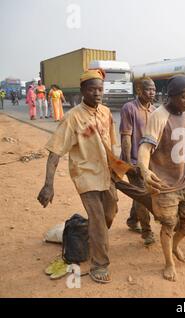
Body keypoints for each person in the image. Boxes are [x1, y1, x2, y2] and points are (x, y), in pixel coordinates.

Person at [37, 69, 119, 284]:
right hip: (86, 176)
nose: (97, 93)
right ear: (82, 90)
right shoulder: (72, 118)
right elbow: (55, 152)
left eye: (100, 89)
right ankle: (100, 264)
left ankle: (85, 230)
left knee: (110, 213)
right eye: (92, 89)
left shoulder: (106, 112)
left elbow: (111, 145)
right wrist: (48, 185)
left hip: (107, 174)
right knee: (100, 221)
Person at [138, 75, 185, 282]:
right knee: (169, 225)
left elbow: (181, 144)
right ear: (172, 96)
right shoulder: (158, 116)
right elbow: (145, 147)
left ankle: (174, 246)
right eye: (184, 96)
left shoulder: (184, 113)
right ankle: (168, 262)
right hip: (165, 184)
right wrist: (144, 170)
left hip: (184, 178)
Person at [120, 77, 157, 246]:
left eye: (154, 90)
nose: (152, 93)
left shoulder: (154, 111)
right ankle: (147, 232)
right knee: (143, 194)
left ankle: (132, 220)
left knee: (140, 193)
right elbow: (126, 137)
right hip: (133, 161)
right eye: (148, 90)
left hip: (148, 162)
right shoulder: (129, 108)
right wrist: (128, 163)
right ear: (139, 91)